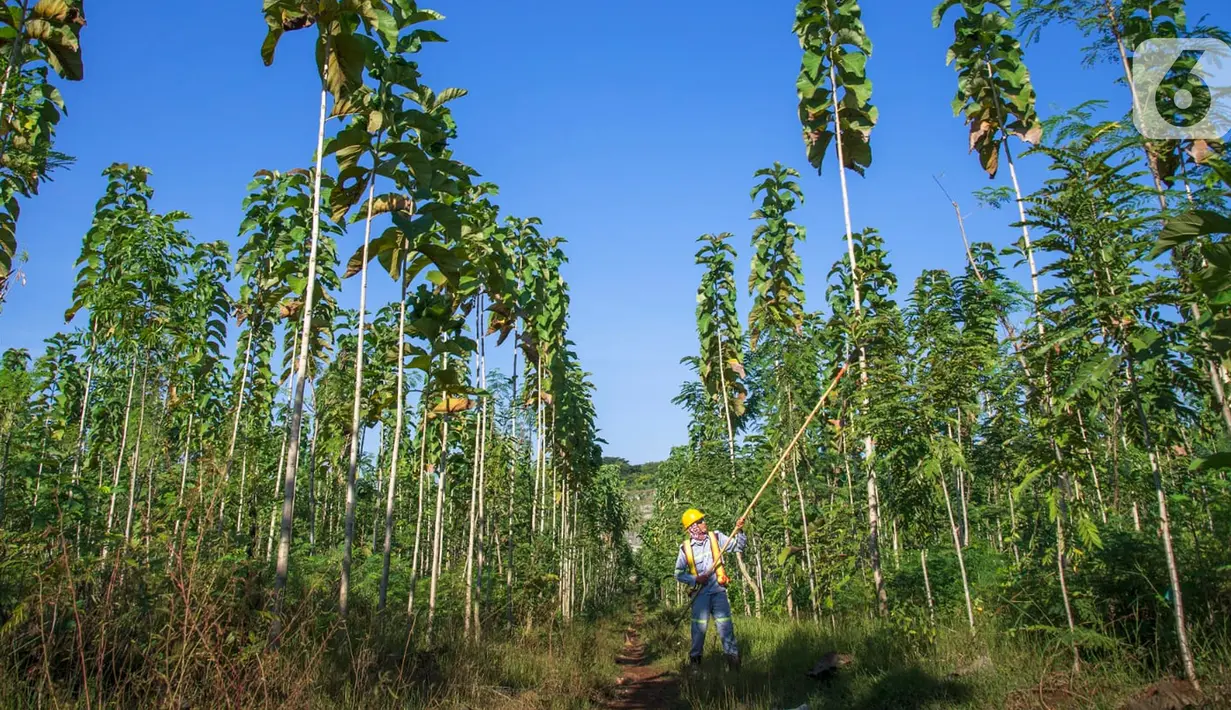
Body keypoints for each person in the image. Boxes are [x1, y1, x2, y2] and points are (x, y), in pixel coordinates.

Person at [674, 508, 746, 670]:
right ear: (693, 526)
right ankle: (695, 665)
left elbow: (738, 546)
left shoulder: (717, 537)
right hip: (700, 595)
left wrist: (739, 530)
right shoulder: (685, 548)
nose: (704, 523)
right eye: (700, 521)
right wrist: (695, 579)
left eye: (703, 520)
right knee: (698, 631)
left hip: (718, 592)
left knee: (726, 628)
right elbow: (678, 573)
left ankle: (734, 666)